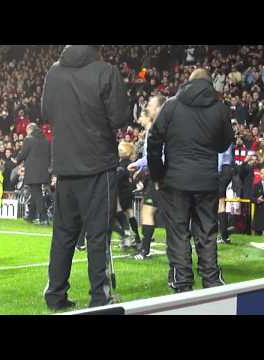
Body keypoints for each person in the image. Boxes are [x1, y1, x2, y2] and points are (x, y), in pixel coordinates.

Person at [42, 45, 129, 310]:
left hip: (66, 167)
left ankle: (55, 295)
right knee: (97, 234)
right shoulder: (106, 72)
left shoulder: (54, 73)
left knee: (63, 235)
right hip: (97, 165)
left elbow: (46, 114)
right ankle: (100, 297)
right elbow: (119, 117)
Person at [147, 68, 234, 293]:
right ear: (209, 85)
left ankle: (182, 284)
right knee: (206, 233)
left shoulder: (172, 105)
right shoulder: (219, 109)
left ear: (188, 83)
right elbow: (225, 143)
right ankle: (211, 282)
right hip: (206, 180)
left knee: (178, 234)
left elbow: (153, 140)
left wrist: (158, 174)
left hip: (175, 181)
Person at [127, 95, 167, 260]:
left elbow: (160, 155)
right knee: (148, 211)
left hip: (160, 175)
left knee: (148, 211)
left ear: (158, 108)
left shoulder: (161, 128)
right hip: (156, 174)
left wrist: (140, 164)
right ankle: (145, 249)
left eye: (151, 104)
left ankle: (145, 251)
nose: (147, 106)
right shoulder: (158, 127)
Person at [13, 123, 51, 225]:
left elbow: (24, 153)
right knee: (35, 193)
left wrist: (16, 160)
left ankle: (43, 218)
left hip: (33, 172)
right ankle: (31, 216)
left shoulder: (29, 139)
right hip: (44, 171)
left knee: (37, 194)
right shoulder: (46, 140)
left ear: (30, 130)